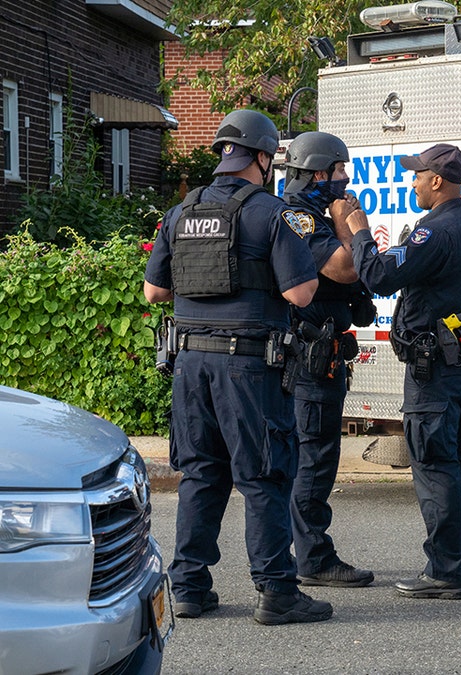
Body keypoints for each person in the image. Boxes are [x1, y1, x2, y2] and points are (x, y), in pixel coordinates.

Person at [143, 109, 331, 625]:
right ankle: (276, 592)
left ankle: (189, 588)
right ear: (264, 157)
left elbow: (154, 290)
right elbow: (300, 291)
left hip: (189, 365)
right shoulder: (272, 213)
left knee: (201, 474)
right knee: (263, 475)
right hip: (247, 367)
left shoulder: (181, 212)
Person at [347, 143, 461, 599]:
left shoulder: (433, 234)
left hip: (435, 367)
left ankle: (445, 571)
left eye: (417, 175)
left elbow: (377, 275)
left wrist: (358, 231)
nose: (413, 181)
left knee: (434, 464)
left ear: (438, 181)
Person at [280, 131, 378, 588]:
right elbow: (345, 267)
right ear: (319, 172)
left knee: (305, 456)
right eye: (339, 171)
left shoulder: (307, 211)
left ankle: (292, 553)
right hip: (311, 356)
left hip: (316, 352)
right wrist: (351, 224)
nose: (345, 181)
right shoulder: (299, 217)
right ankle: (314, 558)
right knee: (315, 458)